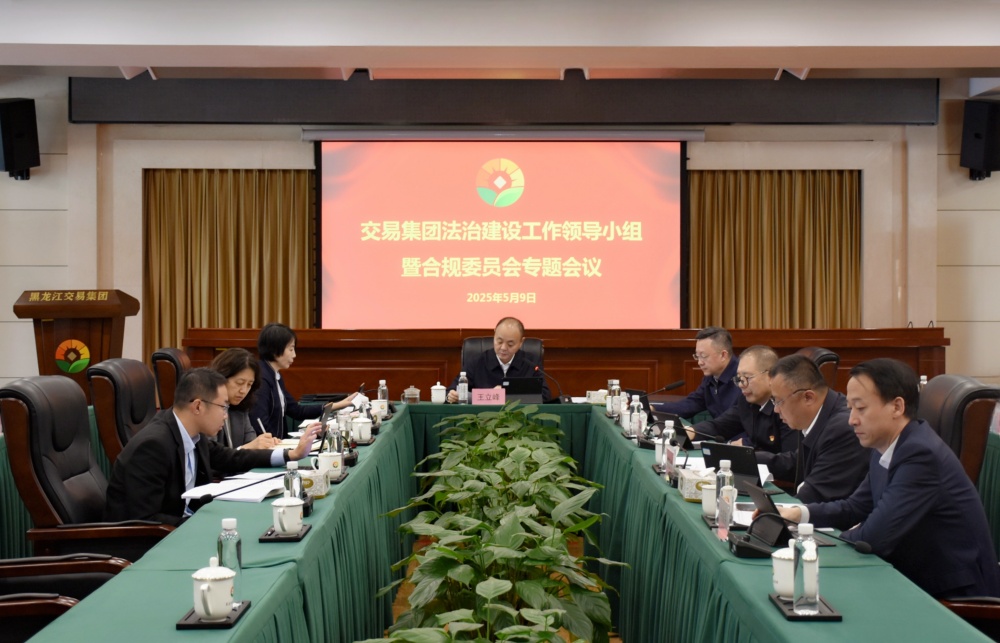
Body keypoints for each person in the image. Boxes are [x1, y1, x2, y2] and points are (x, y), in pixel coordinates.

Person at [778, 358, 1000, 599]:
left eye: (860, 408)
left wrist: (823, 541)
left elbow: (873, 537)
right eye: (850, 408)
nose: (852, 419)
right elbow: (854, 507)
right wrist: (798, 514)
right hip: (915, 579)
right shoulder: (887, 445)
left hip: (954, 598)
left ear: (897, 407)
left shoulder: (920, 455)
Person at [105, 368, 321, 526]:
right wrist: (202, 525)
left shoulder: (192, 435)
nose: (226, 415)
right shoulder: (153, 445)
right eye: (223, 407)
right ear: (198, 406)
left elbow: (233, 458)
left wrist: (291, 454)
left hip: (181, 525)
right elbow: (144, 521)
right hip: (149, 544)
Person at [756, 354, 869, 503]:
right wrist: (748, 457)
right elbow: (798, 463)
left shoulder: (842, 429)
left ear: (808, 397)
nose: (776, 410)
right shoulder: (816, 417)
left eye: (779, 401)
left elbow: (814, 496)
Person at [250, 322, 356, 439]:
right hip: (269, 447)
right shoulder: (261, 379)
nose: (294, 355)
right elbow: (260, 425)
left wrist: (337, 405)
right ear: (275, 349)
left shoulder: (275, 375)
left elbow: (297, 411)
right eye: (291, 349)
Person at [686, 345, 795, 454]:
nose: (741, 385)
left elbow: (789, 458)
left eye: (747, 377)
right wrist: (691, 431)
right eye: (739, 378)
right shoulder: (746, 401)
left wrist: (749, 450)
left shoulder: (787, 407)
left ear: (770, 375)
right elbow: (720, 426)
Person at [446, 317, 549, 403]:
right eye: (499, 341)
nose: (503, 348)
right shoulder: (476, 362)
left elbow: (545, 395)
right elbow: (451, 390)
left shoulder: (531, 363)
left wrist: (506, 394)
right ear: (494, 335)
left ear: (521, 342)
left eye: (510, 344)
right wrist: (452, 396)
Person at [654, 326, 740, 420]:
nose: (699, 362)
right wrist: (653, 409)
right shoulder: (711, 376)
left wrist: (696, 428)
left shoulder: (743, 378)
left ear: (723, 355)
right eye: (697, 356)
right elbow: (691, 404)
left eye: (703, 356)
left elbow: (733, 422)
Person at [209, 348, 280, 449]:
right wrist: (247, 448)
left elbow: (251, 441)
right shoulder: (208, 408)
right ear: (221, 377)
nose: (244, 390)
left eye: (249, 384)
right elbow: (211, 455)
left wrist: (265, 445)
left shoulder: (242, 409)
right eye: (240, 383)